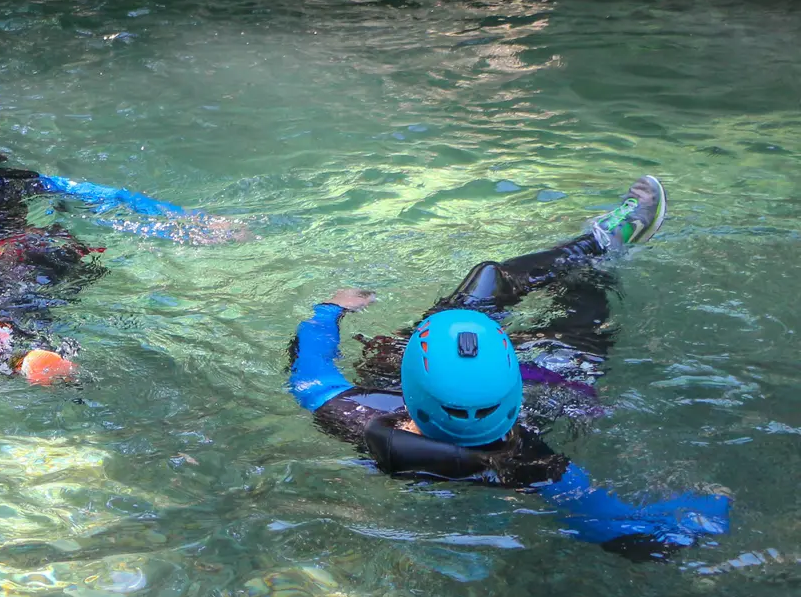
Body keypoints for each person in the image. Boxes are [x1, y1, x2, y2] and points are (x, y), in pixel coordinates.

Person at [286, 176, 731, 559]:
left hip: (499, 375)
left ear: (412, 383)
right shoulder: (535, 462)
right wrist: (717, 506)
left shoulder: (348, 413)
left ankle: (595, 245)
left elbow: (310, 362)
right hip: (552, 375)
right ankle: (601, 251)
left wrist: (331, 309)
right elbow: (631, 536)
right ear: (512, 389)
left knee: (491, 280)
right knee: (584, 290)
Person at [0, 64, 245, 384]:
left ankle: (23, 353)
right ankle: (12, 348)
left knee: (44, 244)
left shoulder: (19, 180)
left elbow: (106, 196)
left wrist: (187, 221)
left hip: (13, 261)